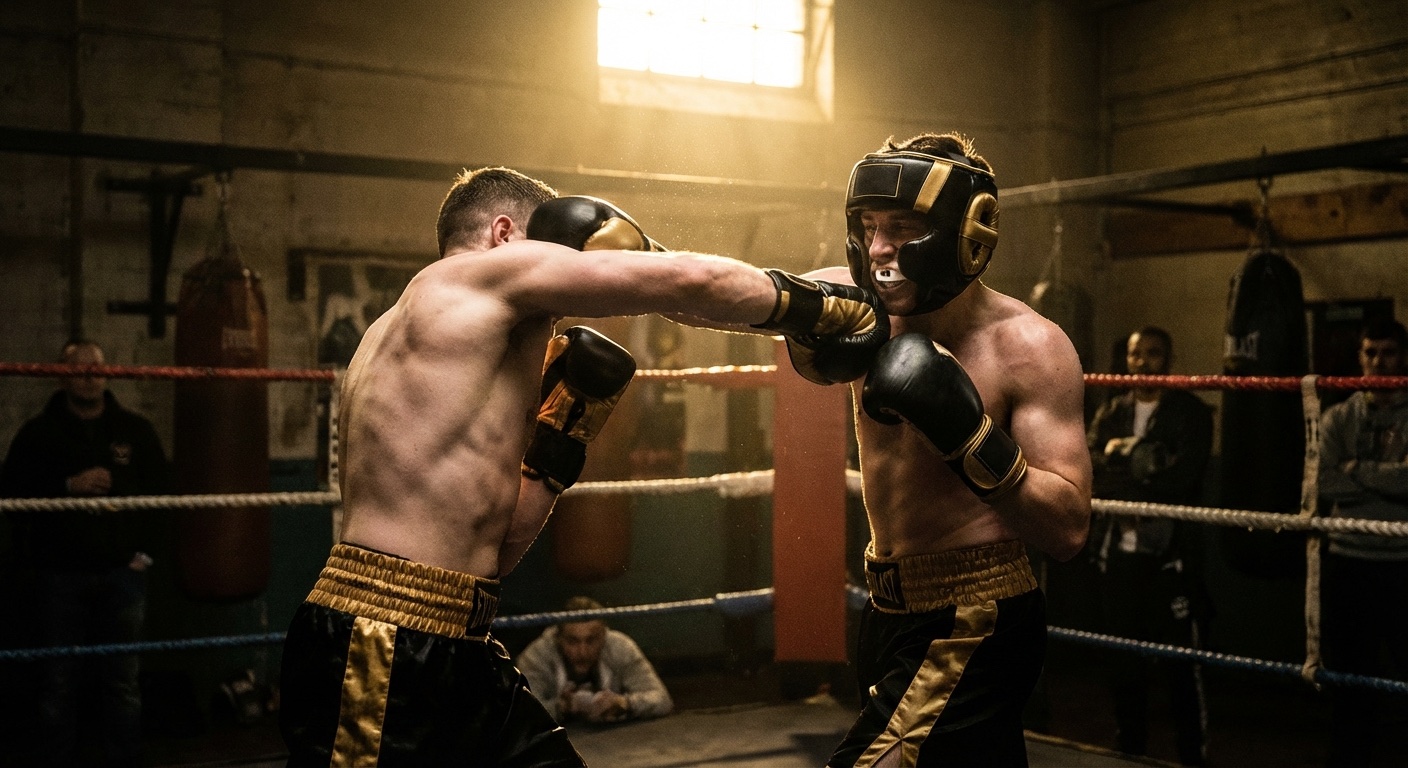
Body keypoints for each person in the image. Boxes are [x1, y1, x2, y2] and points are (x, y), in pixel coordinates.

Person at [277, 167, 889, 766]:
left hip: (456, 638)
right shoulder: (475, 277)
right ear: (505, 234)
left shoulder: (434, 339)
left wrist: (555, 447)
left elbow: (498, 546)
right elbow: (685, 280)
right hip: (377, 642)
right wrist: (822, 308)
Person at [793, 133, 1092, 767]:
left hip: (973, 619)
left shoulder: (1030, 347)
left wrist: (969, 438)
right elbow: (729, 293)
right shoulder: (857, 311)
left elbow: (1067, 528)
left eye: (901, 228)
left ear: (965, 233)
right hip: (885, 610)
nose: (879, 250)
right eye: (869, 227)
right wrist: (628, 259)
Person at [0, 339, 170, 768]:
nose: (91, 373)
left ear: (109, 371)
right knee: (58, 682)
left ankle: (125, 761)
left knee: (123, 681)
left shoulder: (135, 431)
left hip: (122, 573)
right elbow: (10, 494)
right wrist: (66, 487)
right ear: (60, 374)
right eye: (80, 366)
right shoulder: (39, 435)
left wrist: (145, 555)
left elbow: (164, 496)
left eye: (97, 365)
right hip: (60, 574)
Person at [1087, 326, 1213, 767]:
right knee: (1125, 668)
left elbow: (1183, 477)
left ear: (1168, 359)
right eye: (1137, 354)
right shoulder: (1110, 412)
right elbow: (1092, 469)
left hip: (1169, 560)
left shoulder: (1191, 413)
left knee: (1181, 669)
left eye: (1153, 354)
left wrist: (1128, 459)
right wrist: (1142, 462)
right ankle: (1129, 755)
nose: (1143, 362)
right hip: (1118, 555)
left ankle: (1193, 759)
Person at [1317, 317, 1408, 768]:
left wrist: (1357, 470)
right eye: (1370, 353)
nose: (1378, 362)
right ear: (1360, 358)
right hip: (1348, 562)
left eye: (1388, 353)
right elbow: (1323, 482)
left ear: (1402, 357)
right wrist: (1387, 481)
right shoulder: (1338, 416)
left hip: (1403, 562)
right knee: (1350, 678)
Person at [516, 596, 672, 724]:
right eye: (572, 641)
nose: (582, 651)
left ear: (604, 636)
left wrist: (624, 703)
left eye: (591, 640)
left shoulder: (621, 647)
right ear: (558, 638)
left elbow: (662, 699)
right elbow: (521, 714)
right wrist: (562, 707)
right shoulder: (537, 655)